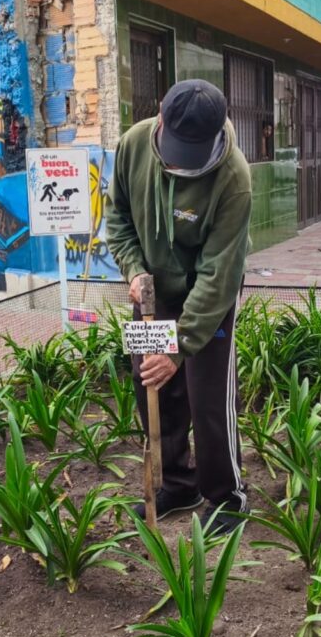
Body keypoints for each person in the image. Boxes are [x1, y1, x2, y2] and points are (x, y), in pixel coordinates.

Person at [101, 79, 254, 533]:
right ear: (160, 118)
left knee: (207, 394)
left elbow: (218, 274)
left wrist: (180, 345)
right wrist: (132, 269)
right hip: (152, 290)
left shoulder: (233, 180)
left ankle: (228, 496)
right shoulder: (132, 145)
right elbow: (118, 216)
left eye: (187, 156)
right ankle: (176, 485)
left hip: (209, 293)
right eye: (170, 150)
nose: (173, 163)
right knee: (151, 384)